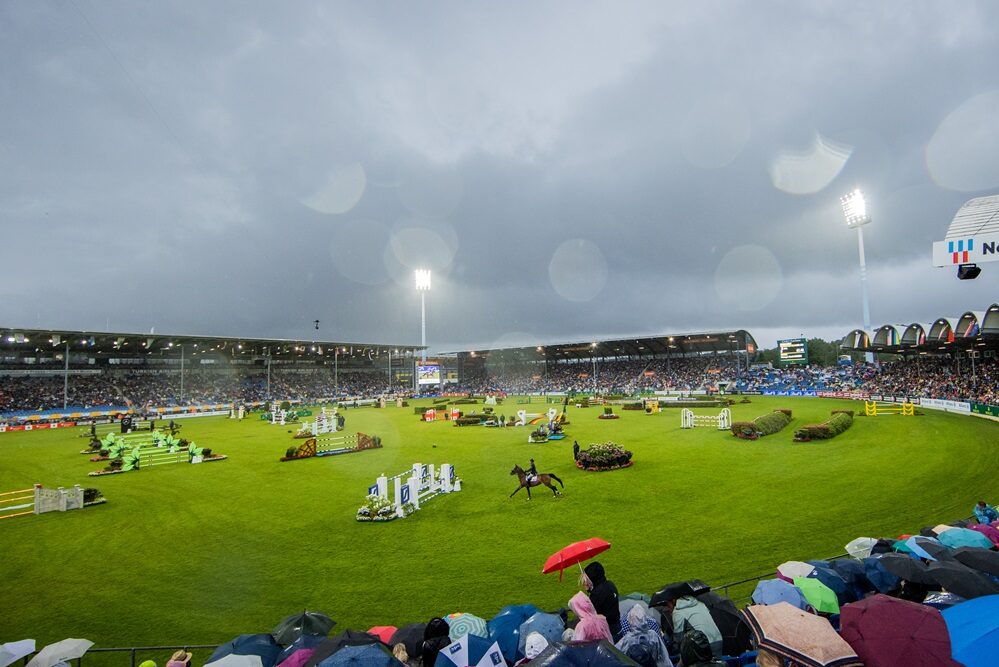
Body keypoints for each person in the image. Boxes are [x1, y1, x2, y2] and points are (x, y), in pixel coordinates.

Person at [583, 561, 621, 638]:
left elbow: (591, 615)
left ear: (592, 577)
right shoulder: (610, 584)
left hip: (607, 631)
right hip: (617, 626)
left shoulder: (597, 594)